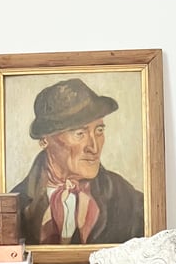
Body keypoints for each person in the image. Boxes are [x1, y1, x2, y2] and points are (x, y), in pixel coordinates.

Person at [10, 78, 145, 246]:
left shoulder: (126, 198)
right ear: (45, 140)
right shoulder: (15, 205)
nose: (94, 147)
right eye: (79, 133)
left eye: (99, 130)